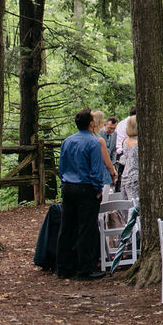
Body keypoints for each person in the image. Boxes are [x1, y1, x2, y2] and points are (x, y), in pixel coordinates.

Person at [56, 108, 105, 280]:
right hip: (86, 188)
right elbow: (96, 169)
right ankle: (85, 269)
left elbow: (61, 166)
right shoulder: (93, 143)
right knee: (87, 228)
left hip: (68, 187)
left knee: (67, 226)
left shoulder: (67, 141)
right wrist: (98, 189)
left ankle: (63, 267)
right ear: (91, 123)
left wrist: (64, 182)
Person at [121, 115, 140, 201]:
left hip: (125, 175)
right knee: (135, 207)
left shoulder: (125, 141)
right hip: (136, 176)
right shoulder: (139, 143)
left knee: (128, 205)